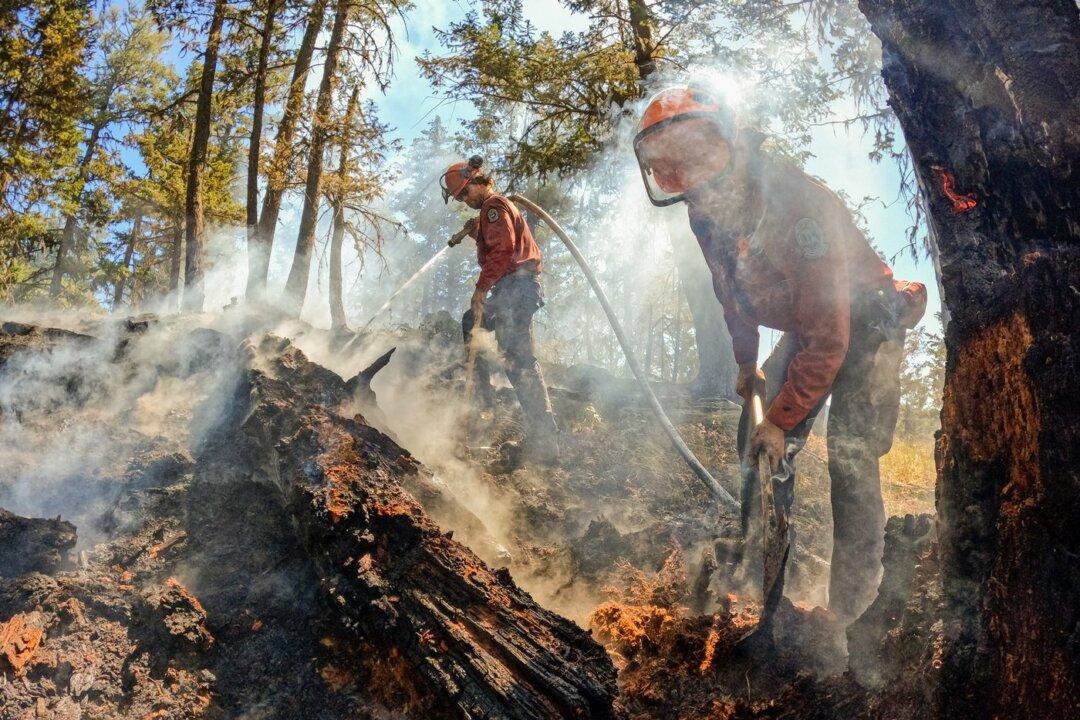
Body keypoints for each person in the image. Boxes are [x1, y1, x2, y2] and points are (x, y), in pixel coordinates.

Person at [633, 85, 927, 621]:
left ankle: (851, 614)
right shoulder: (704, 212)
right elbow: (731, 292)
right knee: (756, 437)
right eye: (669, 169)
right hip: (812, 324)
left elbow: (830, 336)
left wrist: (783, 420)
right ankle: (756, 579)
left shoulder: (795, 204)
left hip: (866, 319)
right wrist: (747, 362)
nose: (688, 177)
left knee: (851, 457)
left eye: (696, 156)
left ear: (728, 142)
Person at [440, 156, 560, 464]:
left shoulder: (493, 207)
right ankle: (487, 399)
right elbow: (501, 243)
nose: (465, 201)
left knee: (519, 360)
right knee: (474, 324)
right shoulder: (491, 213)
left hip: (516, 289)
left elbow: (504, 251)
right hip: (515, 289)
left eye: (465, 193)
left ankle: (543, 441)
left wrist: (481, 288)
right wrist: (476, 233)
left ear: (478, 182)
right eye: (460, 198)